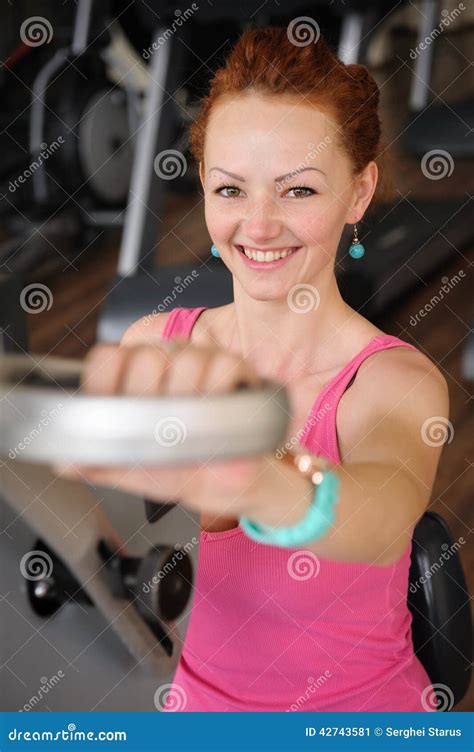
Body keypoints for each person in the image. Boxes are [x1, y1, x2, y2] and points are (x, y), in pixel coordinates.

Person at [54, 26, 449, 712]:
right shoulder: (155, 346)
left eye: (297, 192)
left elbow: (384, 513)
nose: (258, 226)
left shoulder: (394, 383)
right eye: (231, 190)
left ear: (358, 195)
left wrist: (260, 478)